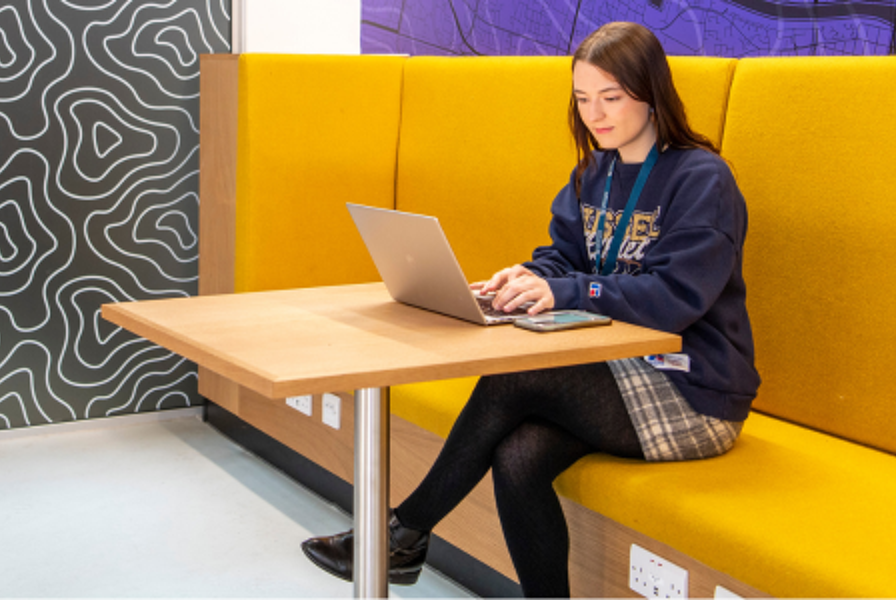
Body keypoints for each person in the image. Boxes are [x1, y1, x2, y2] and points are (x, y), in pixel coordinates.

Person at [299, 21, 761, 597]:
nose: (595, 115)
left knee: (516, 376)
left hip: (693, 390)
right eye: (583, 99)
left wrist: (567, 292)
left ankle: (402, 533)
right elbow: (563, 257)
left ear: (651, 93)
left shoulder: (701, 179)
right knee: (518, 457)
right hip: (616, 369)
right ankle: (415, 543)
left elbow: (673, 300)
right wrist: (527, 278)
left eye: (611, 97)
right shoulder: (596, 171)